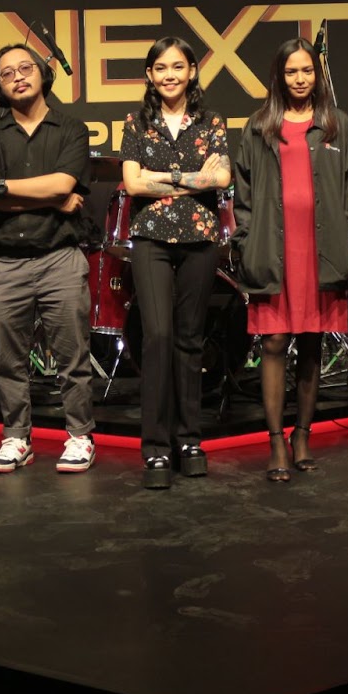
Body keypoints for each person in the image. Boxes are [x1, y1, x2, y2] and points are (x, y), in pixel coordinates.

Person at [232, 38, 348, 482]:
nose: (300, 78)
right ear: (279, 76)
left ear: (316, 74)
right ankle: (275, 441)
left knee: (311, 344)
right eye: (291, 71)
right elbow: (243, 194)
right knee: (273, 343)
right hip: (273, 249)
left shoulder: (337, 125)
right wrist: (247, 239)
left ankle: (302, 437)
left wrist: (347, 232)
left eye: (307, 70)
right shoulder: (259, 127)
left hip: (320, 250)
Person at [0, 44, 97, 474]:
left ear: (43, 74)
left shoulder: (72, 129)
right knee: (8, 362)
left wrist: (5, 188)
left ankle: (79, 436)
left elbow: (61, 184)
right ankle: (16, 438)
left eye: (26, 68)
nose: (18, 77)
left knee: (73, 358)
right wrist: (51, 198)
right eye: (7, 73)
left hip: (60, 257)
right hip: (5, 262)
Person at [119, 36, 232, 489]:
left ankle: (189, 441)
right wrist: (192, 179)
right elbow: (132, 185)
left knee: (189, 339)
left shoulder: (211, 121)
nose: (170, 75)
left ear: (192, 71)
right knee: (158, 337)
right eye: (161, 68)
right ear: (150, 75)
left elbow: (221, 177)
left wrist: (160, 177)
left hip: (200, 238)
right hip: (151, 238)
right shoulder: (135, 123)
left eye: (178, 66)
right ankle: (155, 447)